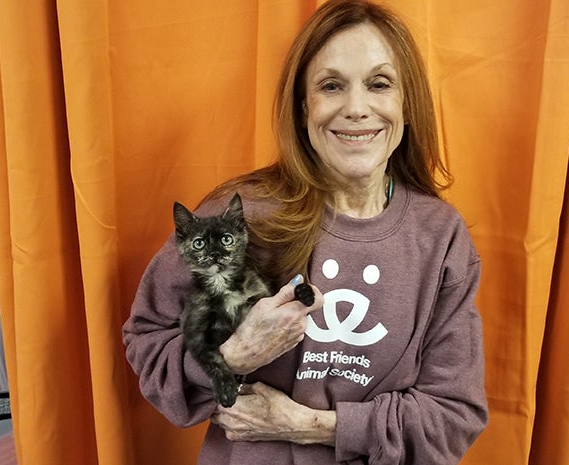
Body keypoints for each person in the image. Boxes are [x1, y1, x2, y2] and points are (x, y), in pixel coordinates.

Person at [122, 0, 488, 463]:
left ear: (406, 103)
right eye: (331, 86)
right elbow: (148, 341)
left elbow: (452, 415)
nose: (356, 109)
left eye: (379, 84)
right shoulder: (241, 218)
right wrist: (233, 356)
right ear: (303, 108)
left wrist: (308, 427)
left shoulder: (441, 239)